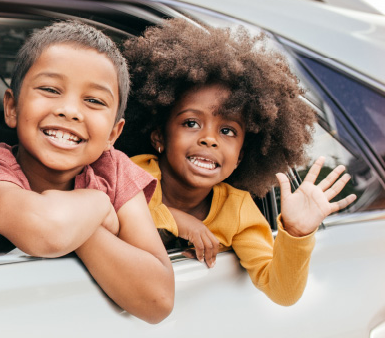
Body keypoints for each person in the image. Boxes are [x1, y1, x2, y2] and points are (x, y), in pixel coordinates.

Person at [117, 18, 356, 306]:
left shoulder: (238, 210)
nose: (210, 139)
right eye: (191, 123)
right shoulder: (133, 171)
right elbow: (110, 208)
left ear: (240, 157)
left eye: (227, 131)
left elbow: (281, 291)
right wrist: (181, 222)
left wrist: (296, 233)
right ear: (159, 137)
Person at [0, 20, 173, 323]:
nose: (70, 110)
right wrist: (99, 206)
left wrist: (83, 228)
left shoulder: (114, 169)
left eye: (94, 100)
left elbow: (158, 300)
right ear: (12, 108)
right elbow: (46, 230)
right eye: (49, 89)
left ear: (113, 134)